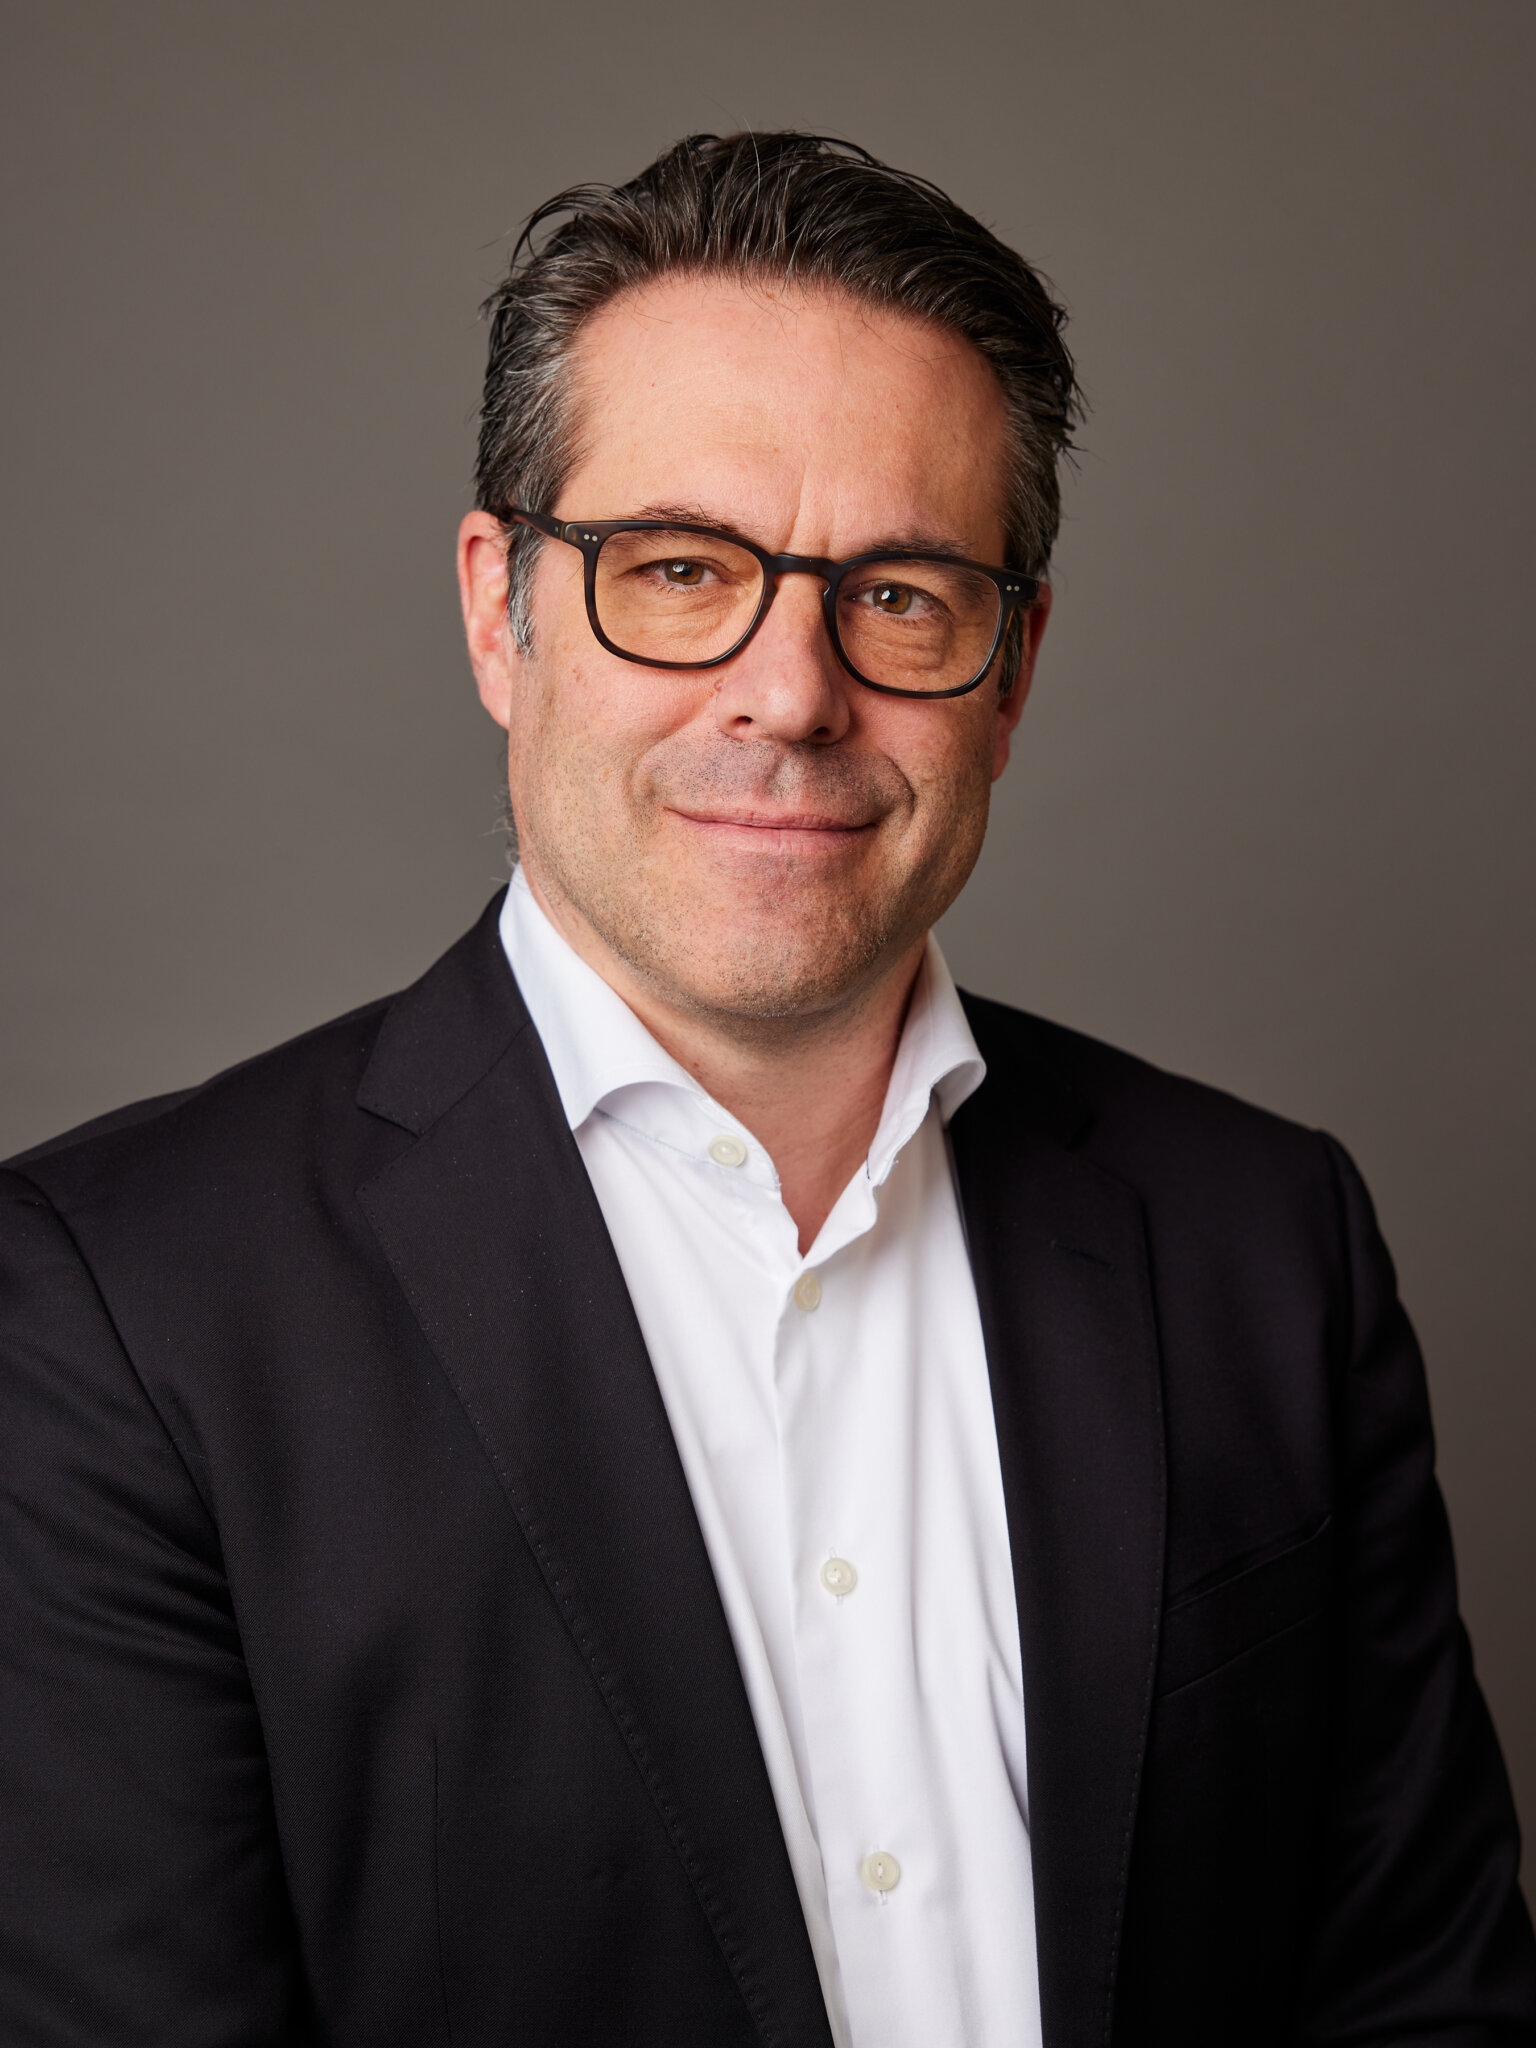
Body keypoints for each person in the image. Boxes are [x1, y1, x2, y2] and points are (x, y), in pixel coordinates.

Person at [0, 131, 1531, 2048]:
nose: (790, 693)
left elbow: (1423, 2003)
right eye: (677, 571)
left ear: (1013, 671)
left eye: (899, 595)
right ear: (497, 611)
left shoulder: (1265, 1243)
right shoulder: (114, 1312)